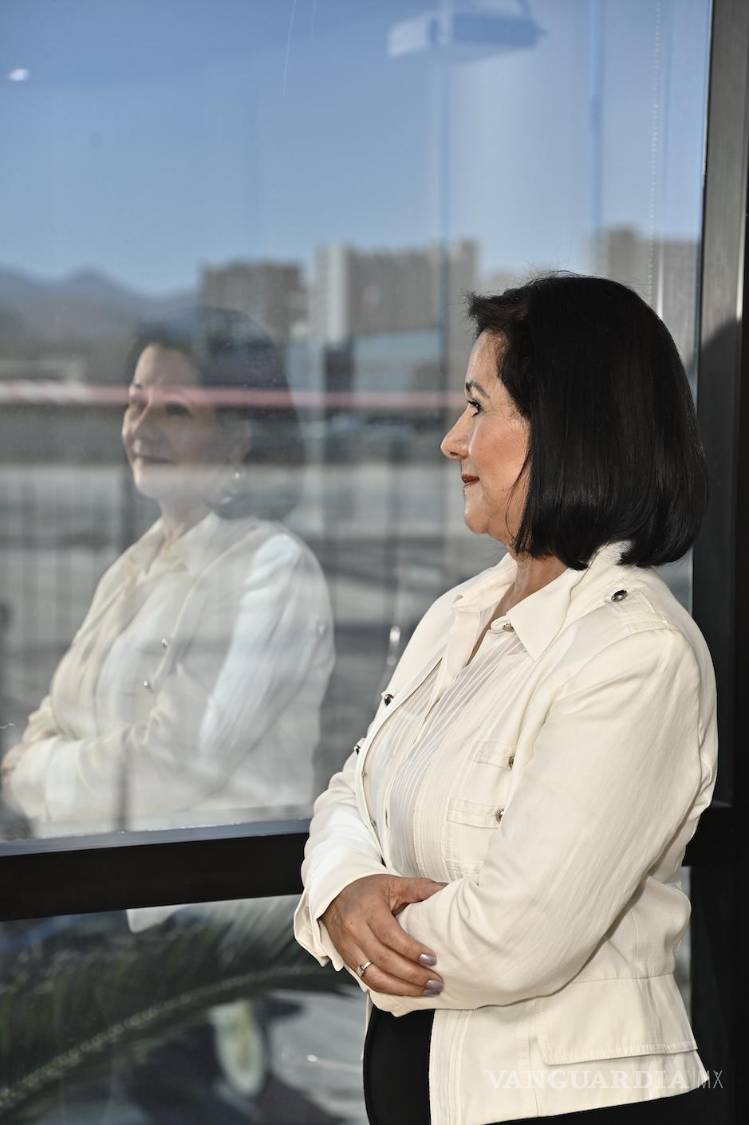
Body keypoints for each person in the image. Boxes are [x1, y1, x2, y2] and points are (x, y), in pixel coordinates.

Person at [294, 273, 718, 1124]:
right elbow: (350, 790)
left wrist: (358, 933)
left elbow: (516, 932)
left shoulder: (636, 653)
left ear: (565, 433)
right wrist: (341, 894)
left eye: (478, 408)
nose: (453, 441)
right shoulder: (459, 613)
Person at [1, 305, 334, 834]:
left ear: (238, 437)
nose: (142, 428)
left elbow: (174, 766)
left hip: (188, 899)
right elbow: (56, 711)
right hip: (97, 875)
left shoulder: (271, 569)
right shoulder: (134, 565)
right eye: (136, 404)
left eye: (174, 411)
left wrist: (30, 775)